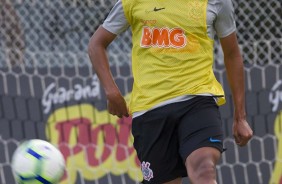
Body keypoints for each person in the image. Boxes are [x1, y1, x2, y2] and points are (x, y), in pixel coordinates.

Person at [88, 0, 253, 183]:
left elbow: (232, 54)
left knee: (203, 168)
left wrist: (240, 117)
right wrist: (111, 92)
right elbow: (96, 44)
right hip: (150, 111)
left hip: (197, 101)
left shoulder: (217, 2)